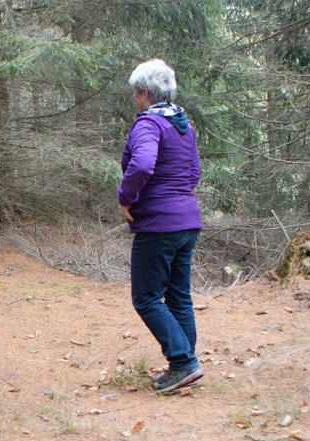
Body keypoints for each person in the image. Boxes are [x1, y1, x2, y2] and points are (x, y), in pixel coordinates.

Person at [118, 58, 203, 393]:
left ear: (143, 92)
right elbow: (193, 174)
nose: (134, 99)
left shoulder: (149, 125)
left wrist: (127, 199)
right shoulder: (183, 125)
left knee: (146, 298)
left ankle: (182, 362)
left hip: (158, 226)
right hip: (187, 222)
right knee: (179, 295)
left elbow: (141, 165)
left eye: (135, 93)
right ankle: (185, 365)